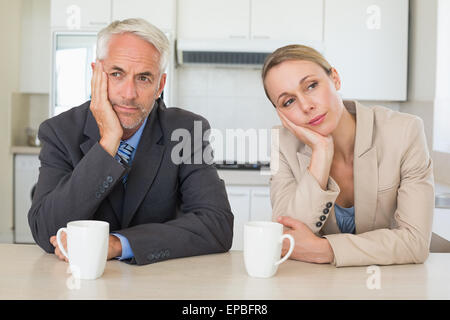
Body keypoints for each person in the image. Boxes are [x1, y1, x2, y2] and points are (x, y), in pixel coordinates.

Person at [28, 18, 233, 265]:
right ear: (96, 75)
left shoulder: (186, 130)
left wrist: (117, 243)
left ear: (160, 86)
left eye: (144, 78)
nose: (129, 94)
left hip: (163, 283)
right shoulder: (60, 131)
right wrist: (108, 143)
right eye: (117, 74)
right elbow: (46, 230)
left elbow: (216, 224)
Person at [262, 44, 434, 267]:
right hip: (316, 287)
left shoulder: (404, 131)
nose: (306, 106)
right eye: (288, 101)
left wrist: (327, 250)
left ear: (335, 79)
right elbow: (287, 238)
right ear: (281, 113)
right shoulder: (283, 143)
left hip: (390, 285)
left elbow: (415, 242)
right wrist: (321, 152)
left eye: (311, 86)